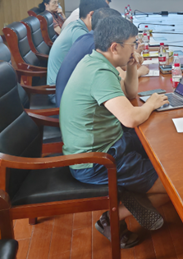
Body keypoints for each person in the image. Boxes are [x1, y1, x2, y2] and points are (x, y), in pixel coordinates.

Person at [60, 16, 170, 248]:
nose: (136, 48)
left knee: (161, 150)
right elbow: (130, 118)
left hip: (108, 144)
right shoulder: (99, 73)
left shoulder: (96, 61)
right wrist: (150, 104)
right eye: (133, 44)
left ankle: (132, 190)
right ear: (115, 47)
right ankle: (111, 218)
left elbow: (129, 92)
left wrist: (131, 66)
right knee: (172, 186)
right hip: (96, 161)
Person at [55, 7, 149, 107]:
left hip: (72, 103)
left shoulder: (90, 39)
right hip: (68, 107)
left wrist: (131, 60)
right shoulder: (98, 49)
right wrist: (140, 71)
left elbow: (128, 91)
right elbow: (129, 114)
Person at [47, 0, 109, 103]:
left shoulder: (76, 25)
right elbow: (101, 61)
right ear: (92, 15)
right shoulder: (80, 33)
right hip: (58, 92)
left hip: (64, 87)